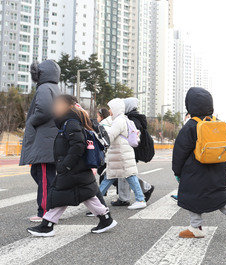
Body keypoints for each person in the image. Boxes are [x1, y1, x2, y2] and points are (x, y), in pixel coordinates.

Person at [27, 95, 117, 236]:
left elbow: (78, 145)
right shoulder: (68, 122)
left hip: (73, 168)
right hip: (76, 168)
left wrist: (66, 165)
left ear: (66, 106)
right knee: (84, 195)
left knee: (60, 194)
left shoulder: (70, 122)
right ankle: (105, 219)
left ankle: (47, 225)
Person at [172, 87, 226, 238]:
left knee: (192, 197)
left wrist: (177, 171)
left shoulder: (191, 126)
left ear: (190, 105)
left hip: (194, 171)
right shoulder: (218, 124)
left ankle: (195, 228)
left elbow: (180, 151)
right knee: (217, 196)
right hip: (217, 170)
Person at [20, 60, 61, 222]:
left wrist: (31, 121)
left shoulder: (44, 88)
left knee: (44, 176)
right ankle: (53, 205)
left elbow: (44, 109)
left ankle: (45, 211)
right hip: (49, 139)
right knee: (41, 173)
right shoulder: (54, 88)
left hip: (45, 141)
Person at [98, 98, 146, 210]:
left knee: (114, 176)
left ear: (115, 109)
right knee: (116, 176)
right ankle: (140, 199)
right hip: (121, 154)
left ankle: (97, 204)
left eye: (111, 108)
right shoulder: (123, 119)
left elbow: (109, 137)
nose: (109, 111)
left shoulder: (119, 121)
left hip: (120, 154)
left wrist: (102, 130)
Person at [111, 98, 155, 207]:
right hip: (132, 149)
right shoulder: (135, 117)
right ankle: (145, 188)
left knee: (126, 173)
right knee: (127, 173)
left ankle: (124, 198)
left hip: (131, 149)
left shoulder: (132, 119)